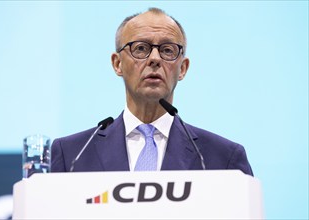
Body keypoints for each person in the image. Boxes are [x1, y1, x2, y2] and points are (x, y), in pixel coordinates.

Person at [51, 7, 253, 175]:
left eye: (167, 50)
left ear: (182, 68)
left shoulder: (223, 159)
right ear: (117, 63)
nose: (154, 58)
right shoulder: (72, 155)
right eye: (140, 48)